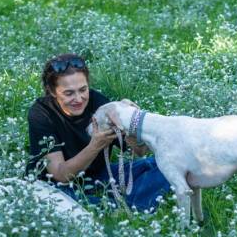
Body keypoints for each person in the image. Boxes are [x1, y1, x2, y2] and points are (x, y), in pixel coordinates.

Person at [26, 53, 170, 212]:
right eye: (69, 93)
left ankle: (127, 204)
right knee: (65, 201)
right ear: (52, 92)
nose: (79, 99)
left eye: (83, 90)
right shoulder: (41, 114)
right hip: (59, 185)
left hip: (100, 175)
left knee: (165, 163)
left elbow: (140, 152)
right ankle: (127, 204)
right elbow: (60, 175)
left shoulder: (99, 103)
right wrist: (95, 145)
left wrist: (132, 121)